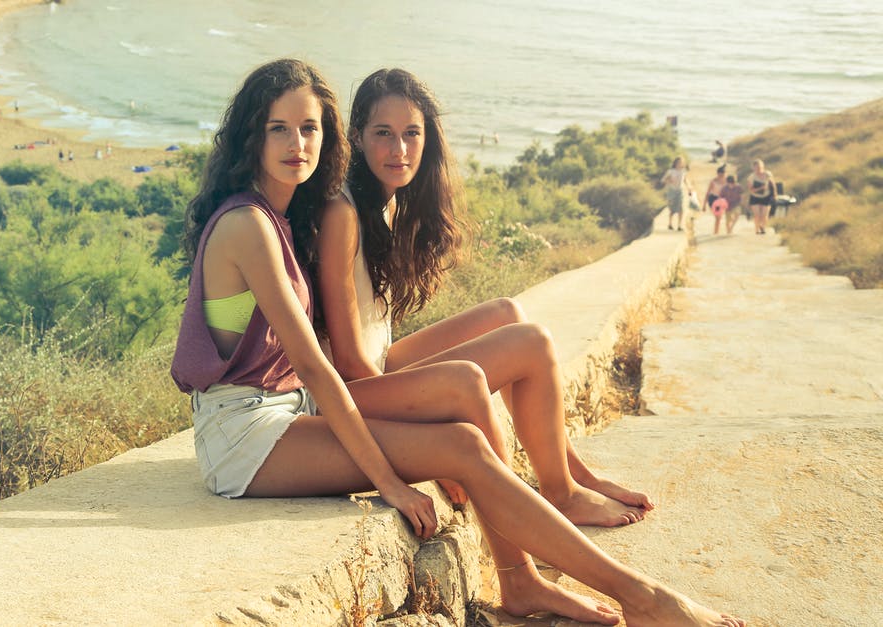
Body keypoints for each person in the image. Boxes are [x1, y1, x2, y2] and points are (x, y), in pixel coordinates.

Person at [170, 58, 743, 627]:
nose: (297, 142)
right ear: (253, 134)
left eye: (310, 127)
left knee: (467, 443)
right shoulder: (248, 224)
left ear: (327, 134)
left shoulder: (281, 216)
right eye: (279, 128)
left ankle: (529, 582)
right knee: (464, 416)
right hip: (242, 436)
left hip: (283, 413)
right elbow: (320, 368)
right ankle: (642, 600)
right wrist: (391, 483)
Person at [314, 68, 651, 528]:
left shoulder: (386, 201)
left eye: (412, 134)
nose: (399, 150)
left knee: (507, 314)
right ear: (356, 136)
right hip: (348, 392)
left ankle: (572, 473)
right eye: (383, 134)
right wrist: (429, 427)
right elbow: (349, 362)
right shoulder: (342, 212)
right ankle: (559, 495)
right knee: (529, 343)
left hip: (377, 368)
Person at [659, 156, 692, 231]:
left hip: (680, 191)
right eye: (679, 162)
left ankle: (679, 225)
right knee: (672, 209)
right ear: (675, 163)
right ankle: (670, 224)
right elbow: (662, 180)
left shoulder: (683, 171)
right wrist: (669, 181)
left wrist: (689, 188)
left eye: (681, 162)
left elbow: (686, 180)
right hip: (671, 191)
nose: (680, 164)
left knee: (681, 208)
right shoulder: (670, 171)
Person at [746, 159, 775, 235]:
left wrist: (775, 194)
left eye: (760, 167)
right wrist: (761, 188)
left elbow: (772, 184)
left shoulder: (768, 174)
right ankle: (757, 229)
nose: (759, 169)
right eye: (757, 167)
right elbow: (751, 190)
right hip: (755, 197)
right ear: (754, 168)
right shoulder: (751, 177)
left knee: (765, 214)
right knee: (757, 214)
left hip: (766, 196)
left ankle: (763, 227)